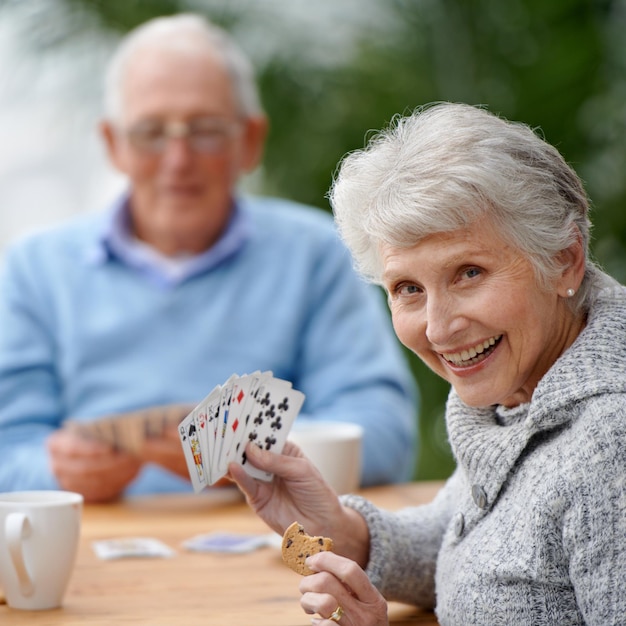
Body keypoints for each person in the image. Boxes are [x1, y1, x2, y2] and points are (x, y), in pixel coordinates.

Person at [228, 102, 626, 625]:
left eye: (468, 273)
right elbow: (472, 544)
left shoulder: (609, 444)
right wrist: (345, 531)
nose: (438, 329)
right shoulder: (526, 387)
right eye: (408, 288)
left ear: (563, 260)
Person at [0, 14, 419, 502]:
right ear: (114, 145)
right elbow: (8, 449)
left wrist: (255, 452)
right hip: (90, 558)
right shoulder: (34, 269)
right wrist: (55, 473)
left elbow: (383, 434)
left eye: (205, 131)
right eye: (151, 132)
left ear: (250, 141)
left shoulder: (316, 253)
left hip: (273, 551)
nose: (178, 160)